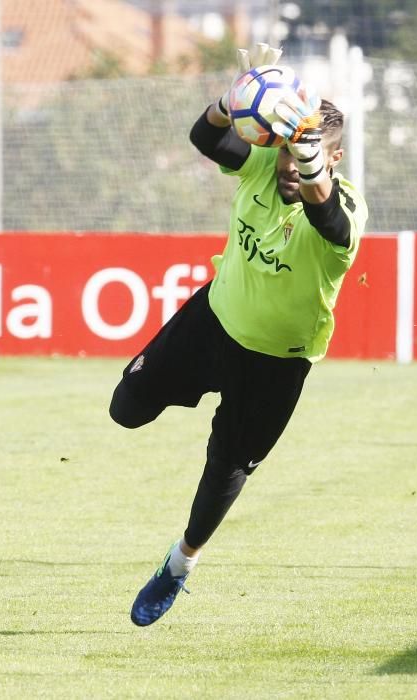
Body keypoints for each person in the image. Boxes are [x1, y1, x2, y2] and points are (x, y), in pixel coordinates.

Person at [109, 43, 368, 627]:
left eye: (305, 159)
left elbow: (331, 221)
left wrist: (310, 165)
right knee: (125, 410)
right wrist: (231, 100)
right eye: (284, 156)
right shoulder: (261, 162)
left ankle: (179, 565)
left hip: (278, 362)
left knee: (225, 470)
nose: (288, 170)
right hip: (214, 320)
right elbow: (205, 139)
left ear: (335, 157)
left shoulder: (347, 205)